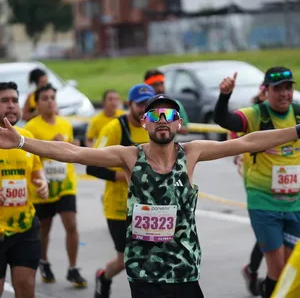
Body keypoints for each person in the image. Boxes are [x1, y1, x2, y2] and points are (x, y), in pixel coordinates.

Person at [0, 93, 300, 298]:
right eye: (155, 115)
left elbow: (249, 142)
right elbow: (75, 152)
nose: (163, 120)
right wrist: (23, 142)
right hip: (144, 270)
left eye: (170, 114)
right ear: (145, 123)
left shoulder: (193, 152)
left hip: (184, 268)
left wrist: (296, 131)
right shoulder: (130, 156)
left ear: (178, 123)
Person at [214, 67, 300, 298]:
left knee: (289, 267)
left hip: (294, 203)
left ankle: (259, 282)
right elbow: (225, 120)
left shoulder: (298, 113)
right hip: (264, 202)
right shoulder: (256, 114)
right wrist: (224, 96)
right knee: (278, 268)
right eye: (278, 89)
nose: (284, 94)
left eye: (288, 88)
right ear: (266, 90)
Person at [86, 84, 154, 298]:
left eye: (148, 104)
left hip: (148, 206)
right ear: (129, 105)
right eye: (140, 104)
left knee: (148, 256)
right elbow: (92, 165)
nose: (144, 108)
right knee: (126, 258)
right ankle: (104, 276)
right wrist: (123, 174)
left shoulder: (153, 126)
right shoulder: (115, 128)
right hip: (118, 207)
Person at [24, 83, 87, 288]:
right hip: (43, 185)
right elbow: (29, 159)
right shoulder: (31, 127)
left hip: (66, 183)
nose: (50, 101)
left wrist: (73, 147)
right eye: (45, 98)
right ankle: (44, 261)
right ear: (38, 104)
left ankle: (73, 267)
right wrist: (50, 145)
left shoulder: (65, 123)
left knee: (71, 224)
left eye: (53, 97)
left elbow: (69, 150)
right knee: (44, 228)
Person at [0, 82, 48, 297]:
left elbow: (37, 169)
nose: (11, 106)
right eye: (4, 101)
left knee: (27, 287)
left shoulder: (25, 137)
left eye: (15, 100)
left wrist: (42, 182)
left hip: (25, 225)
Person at [230, 82, 267, 296]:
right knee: (268, 230)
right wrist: (238, 159)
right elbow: (233, 139)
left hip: (286, 181)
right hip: (257, 179)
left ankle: (254, 271)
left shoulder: (289, 114)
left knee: (279, 232)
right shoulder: (252, 116)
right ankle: (254, 271)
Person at [144, 69, 189, 134]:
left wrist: (168, 125)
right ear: (147, 86)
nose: (160, 89)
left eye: (161, 83)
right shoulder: (142, 106)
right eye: (154, 85)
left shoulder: (175, 104)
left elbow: (185, 129)